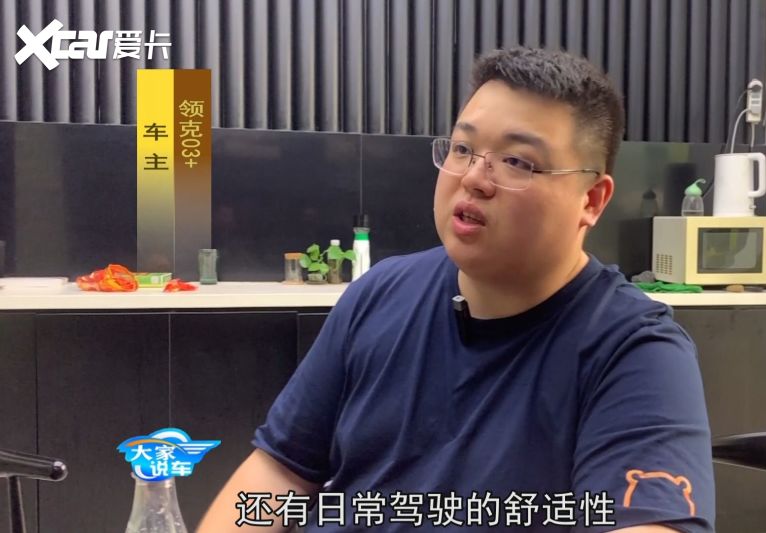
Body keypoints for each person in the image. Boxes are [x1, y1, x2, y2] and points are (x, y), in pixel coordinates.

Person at [198, 47, 715, 532]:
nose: (474, 178)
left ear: (592, 200)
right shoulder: (379, 293)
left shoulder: (635, 351)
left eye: (517, 161)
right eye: (464, 149)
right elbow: (279, 471)